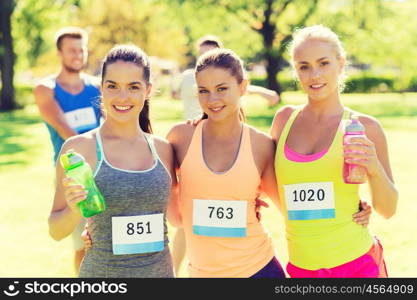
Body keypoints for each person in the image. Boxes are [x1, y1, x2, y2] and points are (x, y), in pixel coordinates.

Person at [270, 25, 398, 277]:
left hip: (358, 264)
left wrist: (373, 167)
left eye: (323, 63)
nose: (314, 74)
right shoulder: (284, 120)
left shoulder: (366, 127)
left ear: (341, 63)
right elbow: (265, 180)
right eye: (304, 66)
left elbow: (388, 208)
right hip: (301, 268)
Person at [48, 44, 180, 277]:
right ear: (101, 88)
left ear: (148, 91)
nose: (122, 97)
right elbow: (56, 231)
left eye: (133, 87)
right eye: (112, 86)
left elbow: (180, 216)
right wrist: (74, 210)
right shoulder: (78, 149)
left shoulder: (164, 149)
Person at [170, 35, 280, 275]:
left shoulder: (261, 144)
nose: (213, 100)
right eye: (204, 91)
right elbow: (171, 214)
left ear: (242, 87)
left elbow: (287, 205)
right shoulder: (180, 138)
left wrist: (355, 207)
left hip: (259, 269)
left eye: (222, 89)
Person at [33, 26, 101, 274]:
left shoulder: (97, 87)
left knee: (107, 240)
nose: (77, 55)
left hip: (104, 167)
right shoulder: (46, 89)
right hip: (73, 174)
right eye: (71, 50)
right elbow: (67, 133)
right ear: (60, 52)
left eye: (81, 49)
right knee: (83, 244)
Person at [171, 35, 280, 120]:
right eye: (201, 53)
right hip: (193, 129)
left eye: (210, 53)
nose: (205, 57)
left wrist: (261, 92)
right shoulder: (187, 76)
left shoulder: (225, 78)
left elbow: (234, 87)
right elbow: (176, 95)